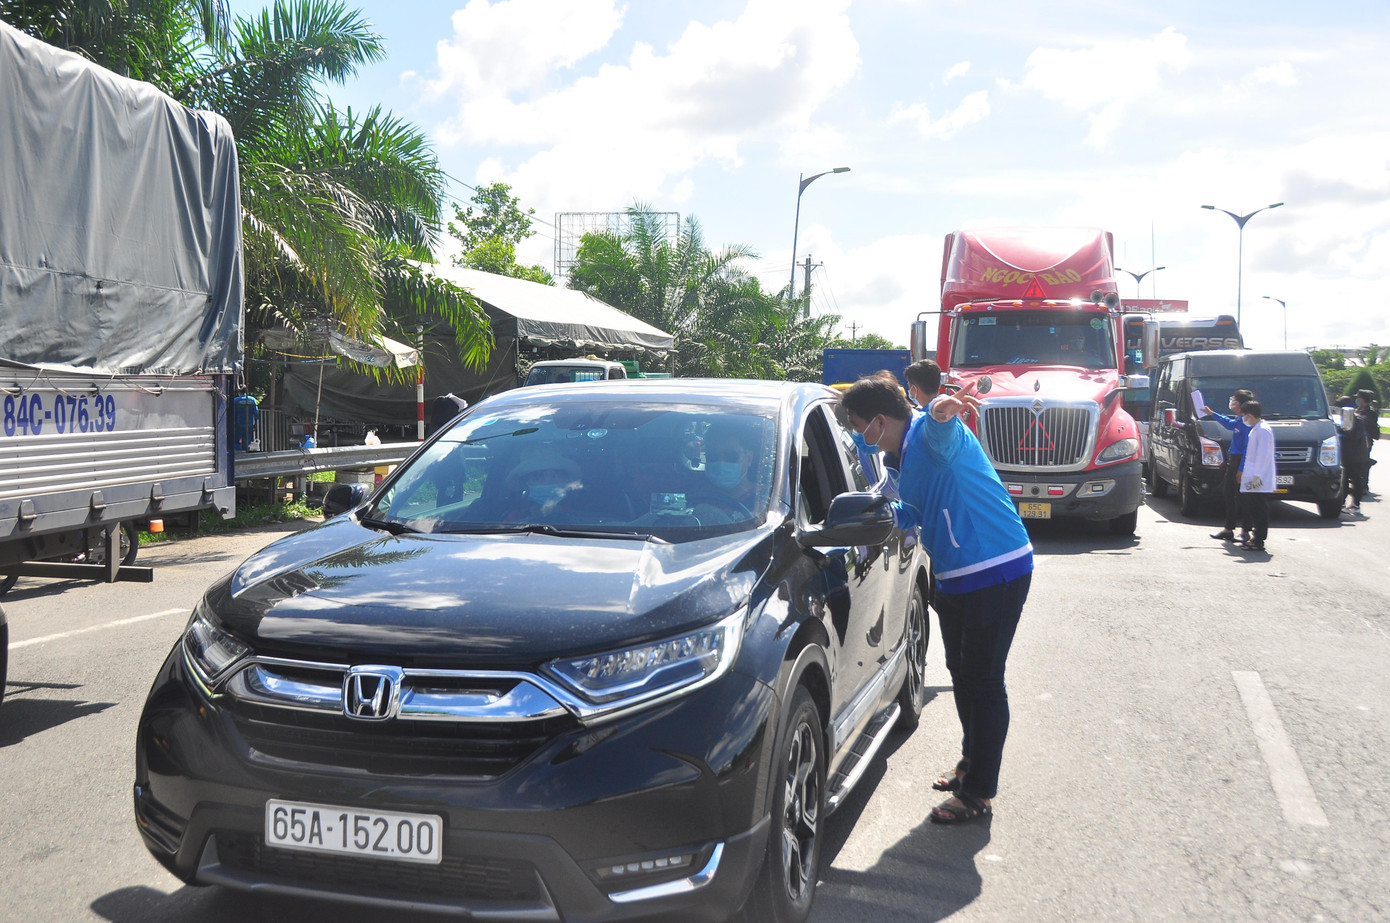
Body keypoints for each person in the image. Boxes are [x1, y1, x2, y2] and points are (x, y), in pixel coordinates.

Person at [841, 375, 1033, 825]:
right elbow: (916, 512)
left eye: (856, 424)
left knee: (984, 682)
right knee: (963, 675)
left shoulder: (928, 432)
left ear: (880, 421)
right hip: (956, 575)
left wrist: (944, 406)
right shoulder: (900, 457)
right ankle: (971, 761)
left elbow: (942, 420)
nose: (855, 434)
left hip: (995, 567)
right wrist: (879, 512)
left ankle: (980, 792)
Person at [1200, 389, 1255, 543]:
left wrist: (1241, 469)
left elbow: (1247, 449)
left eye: (1234, 399)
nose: (1231, 401)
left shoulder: (1247, 422)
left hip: (1241, 461)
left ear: (1240, 404)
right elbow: (1229, 424)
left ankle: (1246, 531)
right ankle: (1229, 529)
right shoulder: (1239, 419)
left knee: (1243, 496)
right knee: (1228, 493)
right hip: (1234, 460)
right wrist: (1212, 413)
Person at [1237, 400, 1276, 552]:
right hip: (1254, 474)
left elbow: (1263, 455)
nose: (1244, 419)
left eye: (1245, 416)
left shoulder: (1263, 430)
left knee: (1260, 508)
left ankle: (1259, 540)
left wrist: (1257, 476)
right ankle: (1256, 536)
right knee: (1253, 506)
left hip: (1259, 476)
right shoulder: (1257, 429)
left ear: (1250, 415)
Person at [1336, 396, 1369, 514]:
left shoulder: (1357, 420)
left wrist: (1342, 431)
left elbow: (1354, 436)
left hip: (1356, 457)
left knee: (1356, 481)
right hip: (1345, 456)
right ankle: (1342, 503)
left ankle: (1356, 504)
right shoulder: (1343, 419)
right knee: (1343, 481)